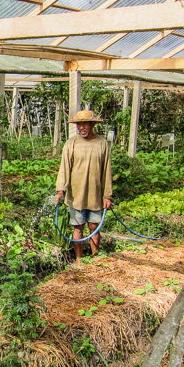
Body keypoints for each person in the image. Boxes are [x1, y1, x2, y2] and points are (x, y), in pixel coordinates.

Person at [55, 110, 113, 266]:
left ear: (92, 125)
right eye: (79, 124)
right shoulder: (71, 143)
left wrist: (107, 195)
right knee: (78, 227)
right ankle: (79, 259)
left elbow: (106, 170)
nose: (81, 128)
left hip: (95, 194)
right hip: (76, 194)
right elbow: (64, 168)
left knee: (94, 226)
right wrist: (61, 189)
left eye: (84, 124)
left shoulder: (102, 144)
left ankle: (95, 257)